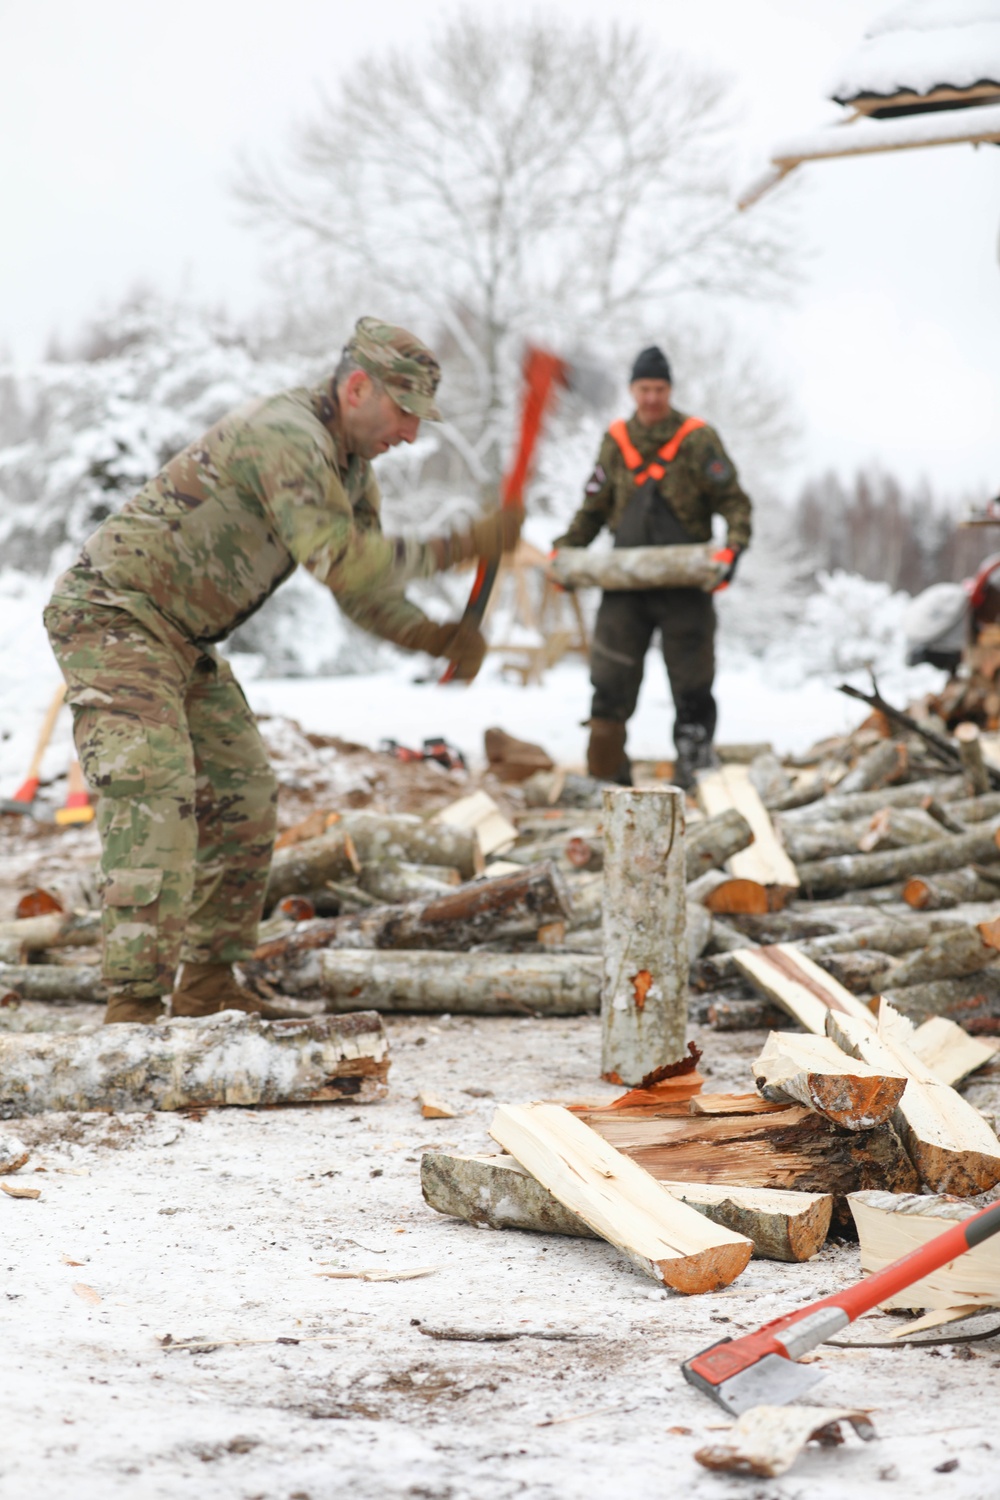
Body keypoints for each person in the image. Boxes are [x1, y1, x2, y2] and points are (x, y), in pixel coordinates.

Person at [44, 317, 522, 1025]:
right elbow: (342, 556)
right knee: (156, 788)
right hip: (115, 611)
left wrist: (434, 635)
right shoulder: (287, 434)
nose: (413, 436)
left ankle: (206, 987)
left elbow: (360, 588)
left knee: (244, 794)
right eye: (405, 414)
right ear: (357, 387)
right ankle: (133, 1014)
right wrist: (460, 545)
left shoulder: (352, 471)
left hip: (182, 636)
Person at [551, 344, 751, 789]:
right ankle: (605, 775)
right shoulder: (616, 442)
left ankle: (696, 772)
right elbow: (593, 509)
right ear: (632, 390)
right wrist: (565, 551)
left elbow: (734, 502)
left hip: (686, 584)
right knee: (609, 681)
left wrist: (732, 550)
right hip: (625, 588)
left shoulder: (699, 439)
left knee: (693, 682)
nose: (652, 398)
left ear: (670, 389)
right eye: (644, 389)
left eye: (659, 389)